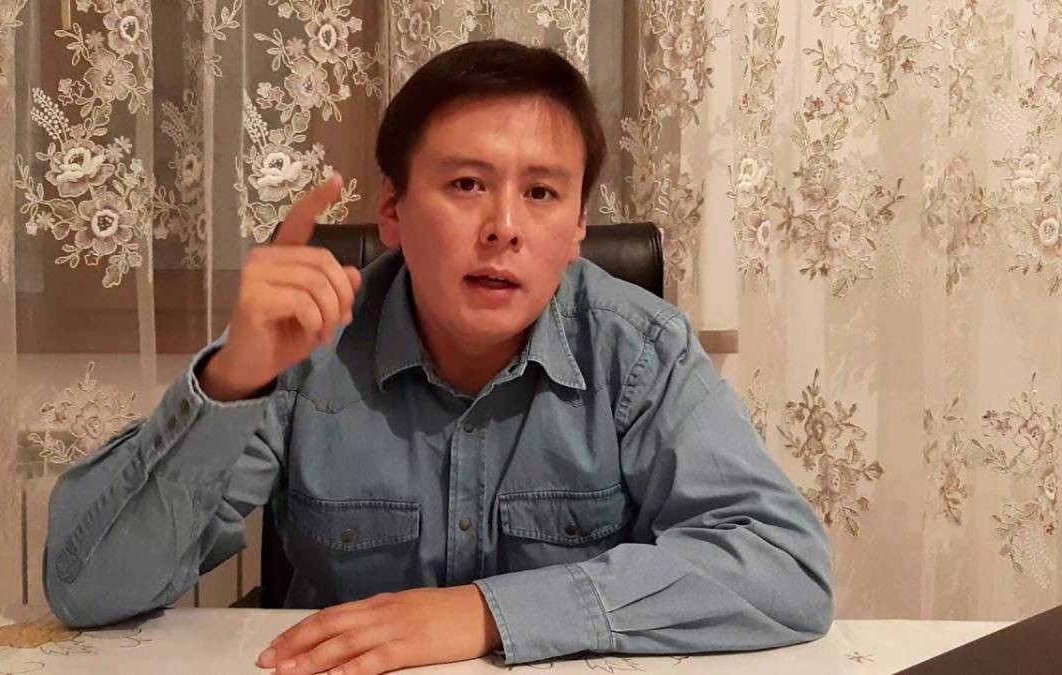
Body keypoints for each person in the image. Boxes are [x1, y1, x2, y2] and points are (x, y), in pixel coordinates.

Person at [44, 39, 832, 674]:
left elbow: (784, 563)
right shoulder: (310, 345)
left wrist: (486, 612)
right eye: (465, 183)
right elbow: (85, 589)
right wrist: (231, 381)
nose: (504, 227)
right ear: (392, 209)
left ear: (577, 229)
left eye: (542, 193)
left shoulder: (640, 349)